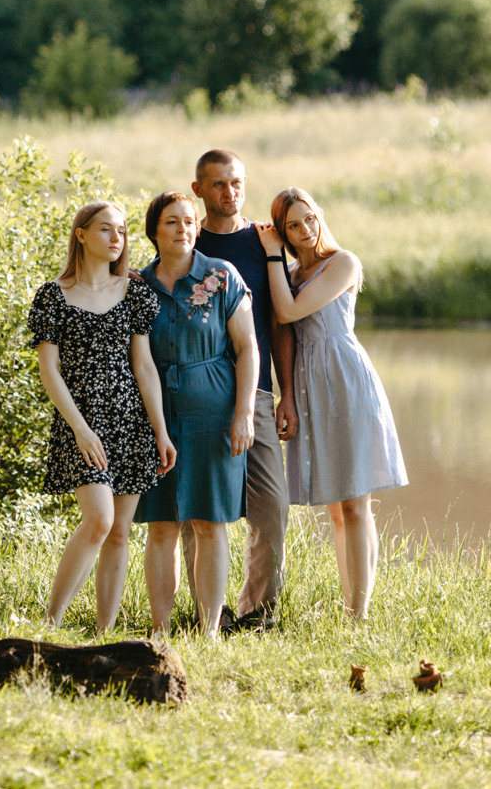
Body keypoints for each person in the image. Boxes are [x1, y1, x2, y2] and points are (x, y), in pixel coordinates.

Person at [256, 186, 407, 619]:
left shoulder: (343, 263)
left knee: (356, 503)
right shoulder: (289, 275)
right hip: (308, 386)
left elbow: (288, 312)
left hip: (345, 379)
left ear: (319, 215)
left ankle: (359, 614)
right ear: (284, 232)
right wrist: (286, 395)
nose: (306, 229)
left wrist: (271, 255)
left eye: (310, 218)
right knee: (337, 509)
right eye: (293, 225)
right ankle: (350, 605)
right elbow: (281, 330)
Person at [28, 200, 176, 633]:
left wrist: (160, 431)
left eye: (122, 231)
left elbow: (144, 366)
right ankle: (50, 623)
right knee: (99, 520)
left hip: (129, 421)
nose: (117, 238)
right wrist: (80, 429)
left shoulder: (134, 293)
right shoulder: (53, 295)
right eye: (106, 229)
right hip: (80, 423)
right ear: (81, 234)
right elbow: (49, 370)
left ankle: (103, 634)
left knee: (119, 532)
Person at [133, 191, 258, 636]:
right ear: (154, 231)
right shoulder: (137, 285)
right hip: (155, 413)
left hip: (215, 410)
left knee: (210, 523)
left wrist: (244, 413)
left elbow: (248, 348)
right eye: (172, 222)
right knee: (161, 525)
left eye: (189, 221)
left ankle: (209, 631)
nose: (183, 229)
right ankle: (160, 629)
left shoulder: (222, 276)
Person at [189, 148, 294, 629]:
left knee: (271, 509)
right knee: (197, 511)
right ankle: (210, 613)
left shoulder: (264, 241)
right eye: (218, 184)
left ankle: (259, 612)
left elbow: (279, 323)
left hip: (257, 396)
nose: (229, 192)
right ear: (198, 190)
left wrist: (288, 393)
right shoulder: (185, 241)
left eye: (236, 182)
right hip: (197, 398)